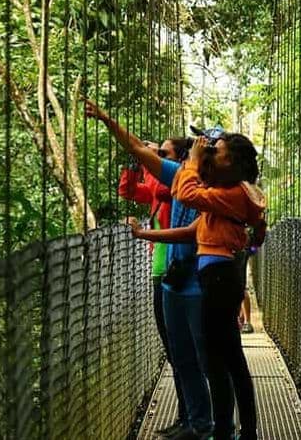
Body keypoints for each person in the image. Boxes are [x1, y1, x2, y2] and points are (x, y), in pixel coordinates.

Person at [84, 99, 212, 440]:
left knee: (203, 359)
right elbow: (131, 181)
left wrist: (144, 232)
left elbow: (188, 225)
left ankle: (209, 425)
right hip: (171, 278)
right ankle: (193, 422)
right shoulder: (179, 177)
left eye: (169, 154)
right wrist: (110, 121)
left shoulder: (206, 189)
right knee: (180, 354)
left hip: (197, 281)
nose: (164, 158)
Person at [172, 133, 267, 440]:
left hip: (218, 279)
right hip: (222, 277)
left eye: (221, 154)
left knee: (217, 359)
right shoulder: (240, 191)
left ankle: (225, 431)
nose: (215, 157)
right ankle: (241, 431)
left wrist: (194, 160)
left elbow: (186, 194)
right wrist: (197, 163)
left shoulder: (233, 195)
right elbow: (260, 227)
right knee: (229, 357)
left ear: (236, 164)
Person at [117, 139, 192, 436]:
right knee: (174, 350)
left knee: (181, 351)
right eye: (157, 154)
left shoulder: (179, 184)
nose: (157, 158)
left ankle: (193, 418)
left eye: (163, 155)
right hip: (160, 271)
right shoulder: (158, 188)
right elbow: (127, 191)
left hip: (174, 273)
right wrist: (137, 162)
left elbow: (162, 187)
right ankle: (186, 415)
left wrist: (145, 156)